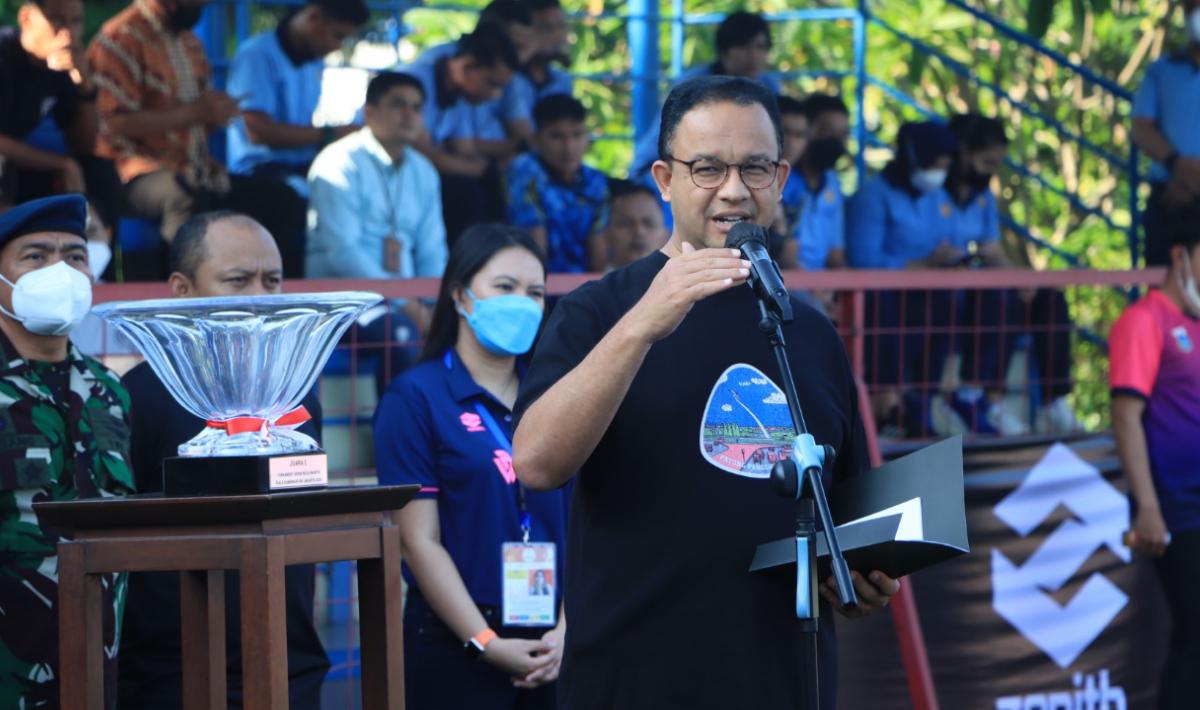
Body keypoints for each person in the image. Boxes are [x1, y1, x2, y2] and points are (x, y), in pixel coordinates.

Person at [512, 76, 898, 709]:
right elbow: (536, 462)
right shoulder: (599, 311)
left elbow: (844, 513)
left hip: (786, 680)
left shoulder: (811, 333)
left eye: (754, 168)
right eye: (708, 168)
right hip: (633, 681)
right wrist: (640, 324)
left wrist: (859, 573)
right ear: (665, 179)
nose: (734, 190)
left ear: (780, 178)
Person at [118, 210, 328, 708]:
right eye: (238, 280)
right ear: (182, 290)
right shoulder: (137, 397)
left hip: (289, 664)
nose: (259, 296)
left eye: (272, 280)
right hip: (174, 673)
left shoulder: (298, 396)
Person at [375, 223, 567, 710]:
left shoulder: (559, 397)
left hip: (558, 642)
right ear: (460, 297)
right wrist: (484, 641)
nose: (522, 303)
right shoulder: (415, 398)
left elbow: (589, 523)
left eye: (535, 292)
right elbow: (418, 541)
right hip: (455, 643)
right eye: (504, 288)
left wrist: (569, 630)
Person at [0, 193, 134, 708]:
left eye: (75, 256)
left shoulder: (108, 390)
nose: (60, 269)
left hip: (97, 668)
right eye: (35, 255)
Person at [88, 0, 308, 277]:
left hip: (196, 169)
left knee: (281, 198)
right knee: (183, 193)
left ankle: (266, 296)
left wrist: (215, 115)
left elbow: (197, 122)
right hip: (130, 174)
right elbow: (112, 124)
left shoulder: (191, 42)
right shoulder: (119, 39)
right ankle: (176, 301)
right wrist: (196, 112)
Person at [1110, 202, 1200, 710]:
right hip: (1176, 508)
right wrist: (1147, 506)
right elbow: (1126, 416)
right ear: (1181, 256)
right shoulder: (1144, 320)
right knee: (1195, 636)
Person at [308, 70, 446, 393]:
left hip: (408, 302)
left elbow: (433, 248)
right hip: (344, 303)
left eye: (417, 107)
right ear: (369, 112)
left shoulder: (424, 171)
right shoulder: (338, 163)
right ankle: (399, 439)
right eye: (399, 104)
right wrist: (406, 303)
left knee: (461, 329)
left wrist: (432, 303)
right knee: (398, 333)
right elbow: (343, 251)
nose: (410, 115)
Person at [943, 113, 1077, 435]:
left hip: (979, 284)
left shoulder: (982, 197)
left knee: (1048, 298)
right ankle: (981, 395)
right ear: (963, 151)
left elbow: (992, 251)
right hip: (950, 293)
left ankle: (1052, 401)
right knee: (999, 297)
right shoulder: (933, 197)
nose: (991, 172)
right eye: (986, 162)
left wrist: (1023, 279)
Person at [0, 0, 123, 231]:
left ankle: (89, 260)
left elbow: (83, 145)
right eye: (57, 20)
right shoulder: (4, 54)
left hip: (23, 169)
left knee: (99, 174)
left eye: (75, 21)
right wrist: (62, 164)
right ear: (26, 19)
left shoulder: (60, 64)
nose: (67, 31)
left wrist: (84, 85)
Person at [225, 0, 370, 195]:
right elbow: (257, 132)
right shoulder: (257, 55)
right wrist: (331, 134)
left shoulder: (313, 61)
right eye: (338, 36)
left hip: (300, 166)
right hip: (259, 174)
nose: (337, 46)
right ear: (313, 17)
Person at [399, 23, 521, 242]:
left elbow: (463, 148)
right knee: (466, 193)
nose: (495, 95)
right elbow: (427, 157)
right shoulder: (416, 82)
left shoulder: (461, 94)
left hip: (425, 174)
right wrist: (484, 170)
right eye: (492, 84)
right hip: (401, 175)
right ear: (466, 67)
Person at [629, 10, 781, 178]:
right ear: (724, 51)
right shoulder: (692, 85)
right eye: (744, 47)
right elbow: (660, 139)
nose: (754, 55)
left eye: (760, 47)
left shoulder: (768, 88)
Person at [505, 94, 609, 273]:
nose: (569, 146)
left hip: (585, 287)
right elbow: (535, 248)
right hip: (535, 280)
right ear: (536, 140)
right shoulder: (524, 172)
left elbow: (598, 250)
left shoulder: (595, 181)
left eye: (577, 135)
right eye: (556, 136)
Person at [1132, 0, 1200, 267]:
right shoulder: (1161, 70)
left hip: (1180, 187)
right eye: (1193, 8)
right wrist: (1178, 167)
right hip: (1171, 196)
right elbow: (1141, 128)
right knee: (1162, 283)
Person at [789, 93, 849, 271]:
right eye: (826, 131)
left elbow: (835, 255)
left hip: (821, 287)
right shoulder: (783, 180)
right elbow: (786, 258)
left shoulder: (831, 181)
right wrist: (815, 296)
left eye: (843, 134)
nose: (835, 141)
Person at [604, 180, 669, 270]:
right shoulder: (590, 283)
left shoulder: (684, 282)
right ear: (607, 234)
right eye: (626, 223)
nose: (639, 232)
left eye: (649, 223)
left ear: (666, 235)